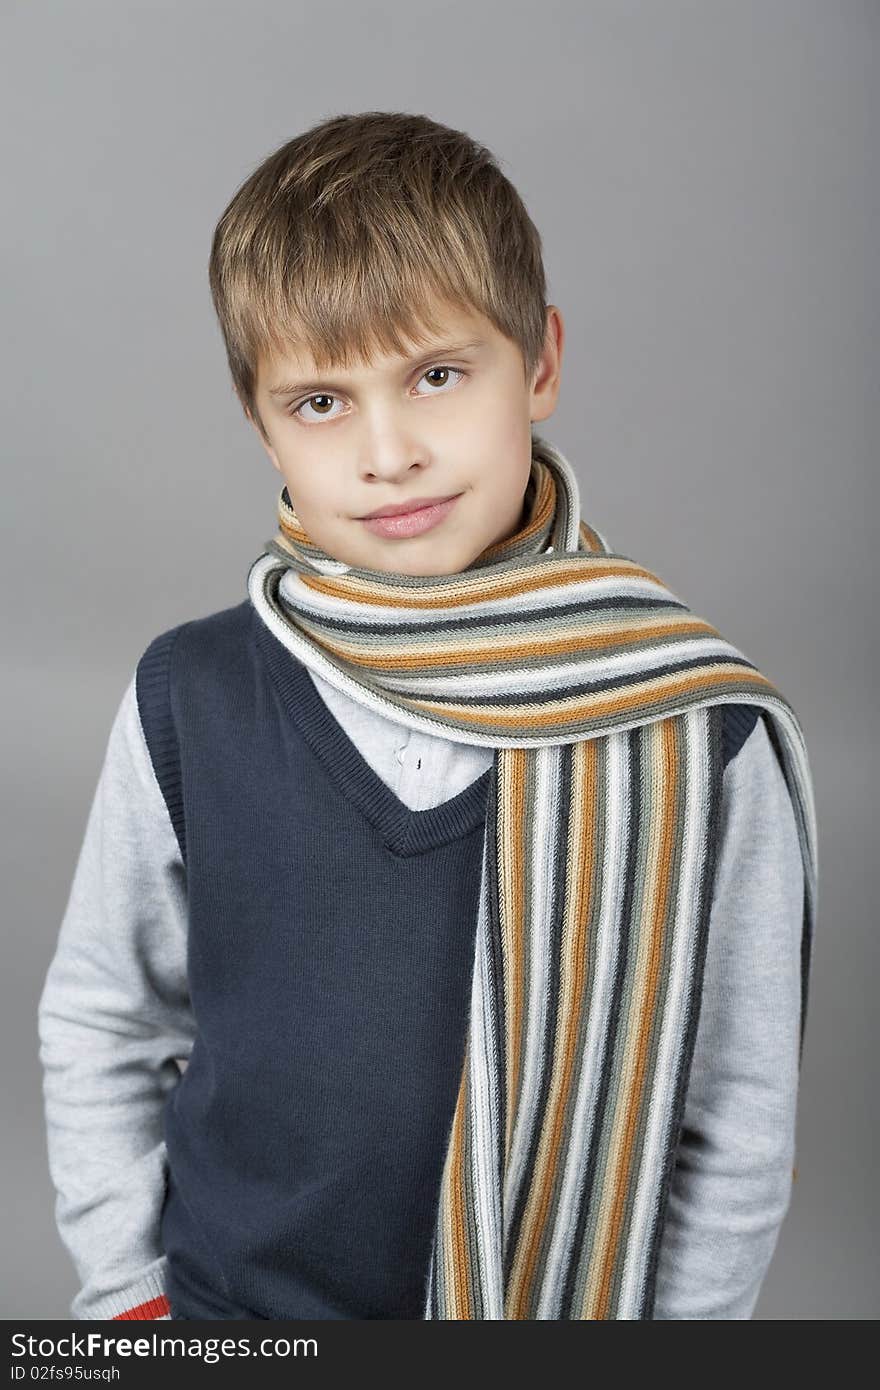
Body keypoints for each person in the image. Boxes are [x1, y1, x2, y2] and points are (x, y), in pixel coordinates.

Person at [37, 110, 817, 1322]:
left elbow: (733, 1121)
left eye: (437, 376)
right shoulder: (192, 695)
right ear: (259, 420)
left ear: (541, 361)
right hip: (223, 1317)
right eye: (318, 404)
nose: (386, 453)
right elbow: (103, 1016)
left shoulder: (693, 733)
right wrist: (128, 1298)